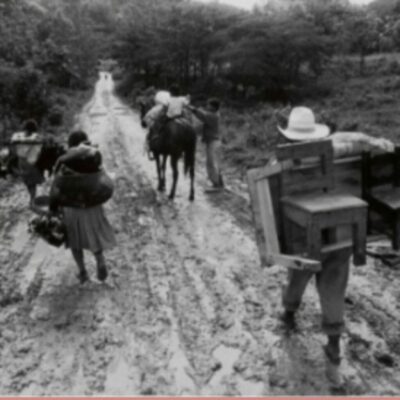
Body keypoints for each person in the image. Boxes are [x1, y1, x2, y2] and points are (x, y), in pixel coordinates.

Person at [278, 106, 349, 385]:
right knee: (334, 286)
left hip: (304, 235)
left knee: (298, 273)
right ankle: (333, 344)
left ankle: (289, 311)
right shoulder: (339, 153)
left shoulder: (283, 160)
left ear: (291, 134)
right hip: (341, 228)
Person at [52, 131, 116, 284]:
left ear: (70, 143)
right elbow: (102, 178)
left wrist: (54, 207)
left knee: (74, 241)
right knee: (94, 236)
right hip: (92, 205)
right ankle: (100, 261)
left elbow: (55, 186)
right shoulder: (92, 157)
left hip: (71, 207)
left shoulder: (64, 160)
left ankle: (82, 272)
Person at [189, 98, 224, 191]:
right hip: (213, 142)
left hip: (213, 142)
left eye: (209, 105)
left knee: (211, 163)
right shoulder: (214, 115)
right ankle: (219, 182)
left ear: (213, 107)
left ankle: (217, 185)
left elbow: (202, 115)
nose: (207, 106)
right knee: (214, 162)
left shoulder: (212, 116)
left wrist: (192, 108)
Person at [11, 119, 45, 206]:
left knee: (29, 182)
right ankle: (32, 199)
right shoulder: (37, 137)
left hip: (22, 161)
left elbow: (13, 146)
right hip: (31, 162)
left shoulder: (19, 136)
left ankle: (32, 199)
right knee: (32, 182)